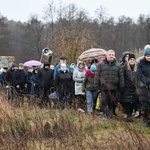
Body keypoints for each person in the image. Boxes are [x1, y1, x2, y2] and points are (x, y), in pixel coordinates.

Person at [94, 49, 125, 118]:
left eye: (112, 55)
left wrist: (121, 87)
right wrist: (97, 87)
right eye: (110, 55)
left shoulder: (118, 66)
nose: (111, 56)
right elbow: (97, 77)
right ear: (106, 56)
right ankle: (105, 114)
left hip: (114, 88)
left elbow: (121, 77)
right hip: (104, 88)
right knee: (104, 101)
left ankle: (111, 114)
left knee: (113, 102)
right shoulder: (101, 65)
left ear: (114, 56)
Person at [120, 54, 139, 122]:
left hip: (134, 88)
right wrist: (122, 86)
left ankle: (130, 115)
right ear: (128, 60)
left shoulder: (137, 69)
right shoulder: (124, 68)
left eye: (133, 60)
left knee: (133, 102)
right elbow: (122, 77)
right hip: (126, 88)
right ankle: (128, 115)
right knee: (127, 102)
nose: (132, 61)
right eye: (131, 59)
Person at [136, 44, 150, 127]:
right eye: (147, 56)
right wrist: (148, 82)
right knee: (145, 105)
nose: (149, 57)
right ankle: (145, 119)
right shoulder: (140, 64)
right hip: (143, 87)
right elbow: (139, 75)